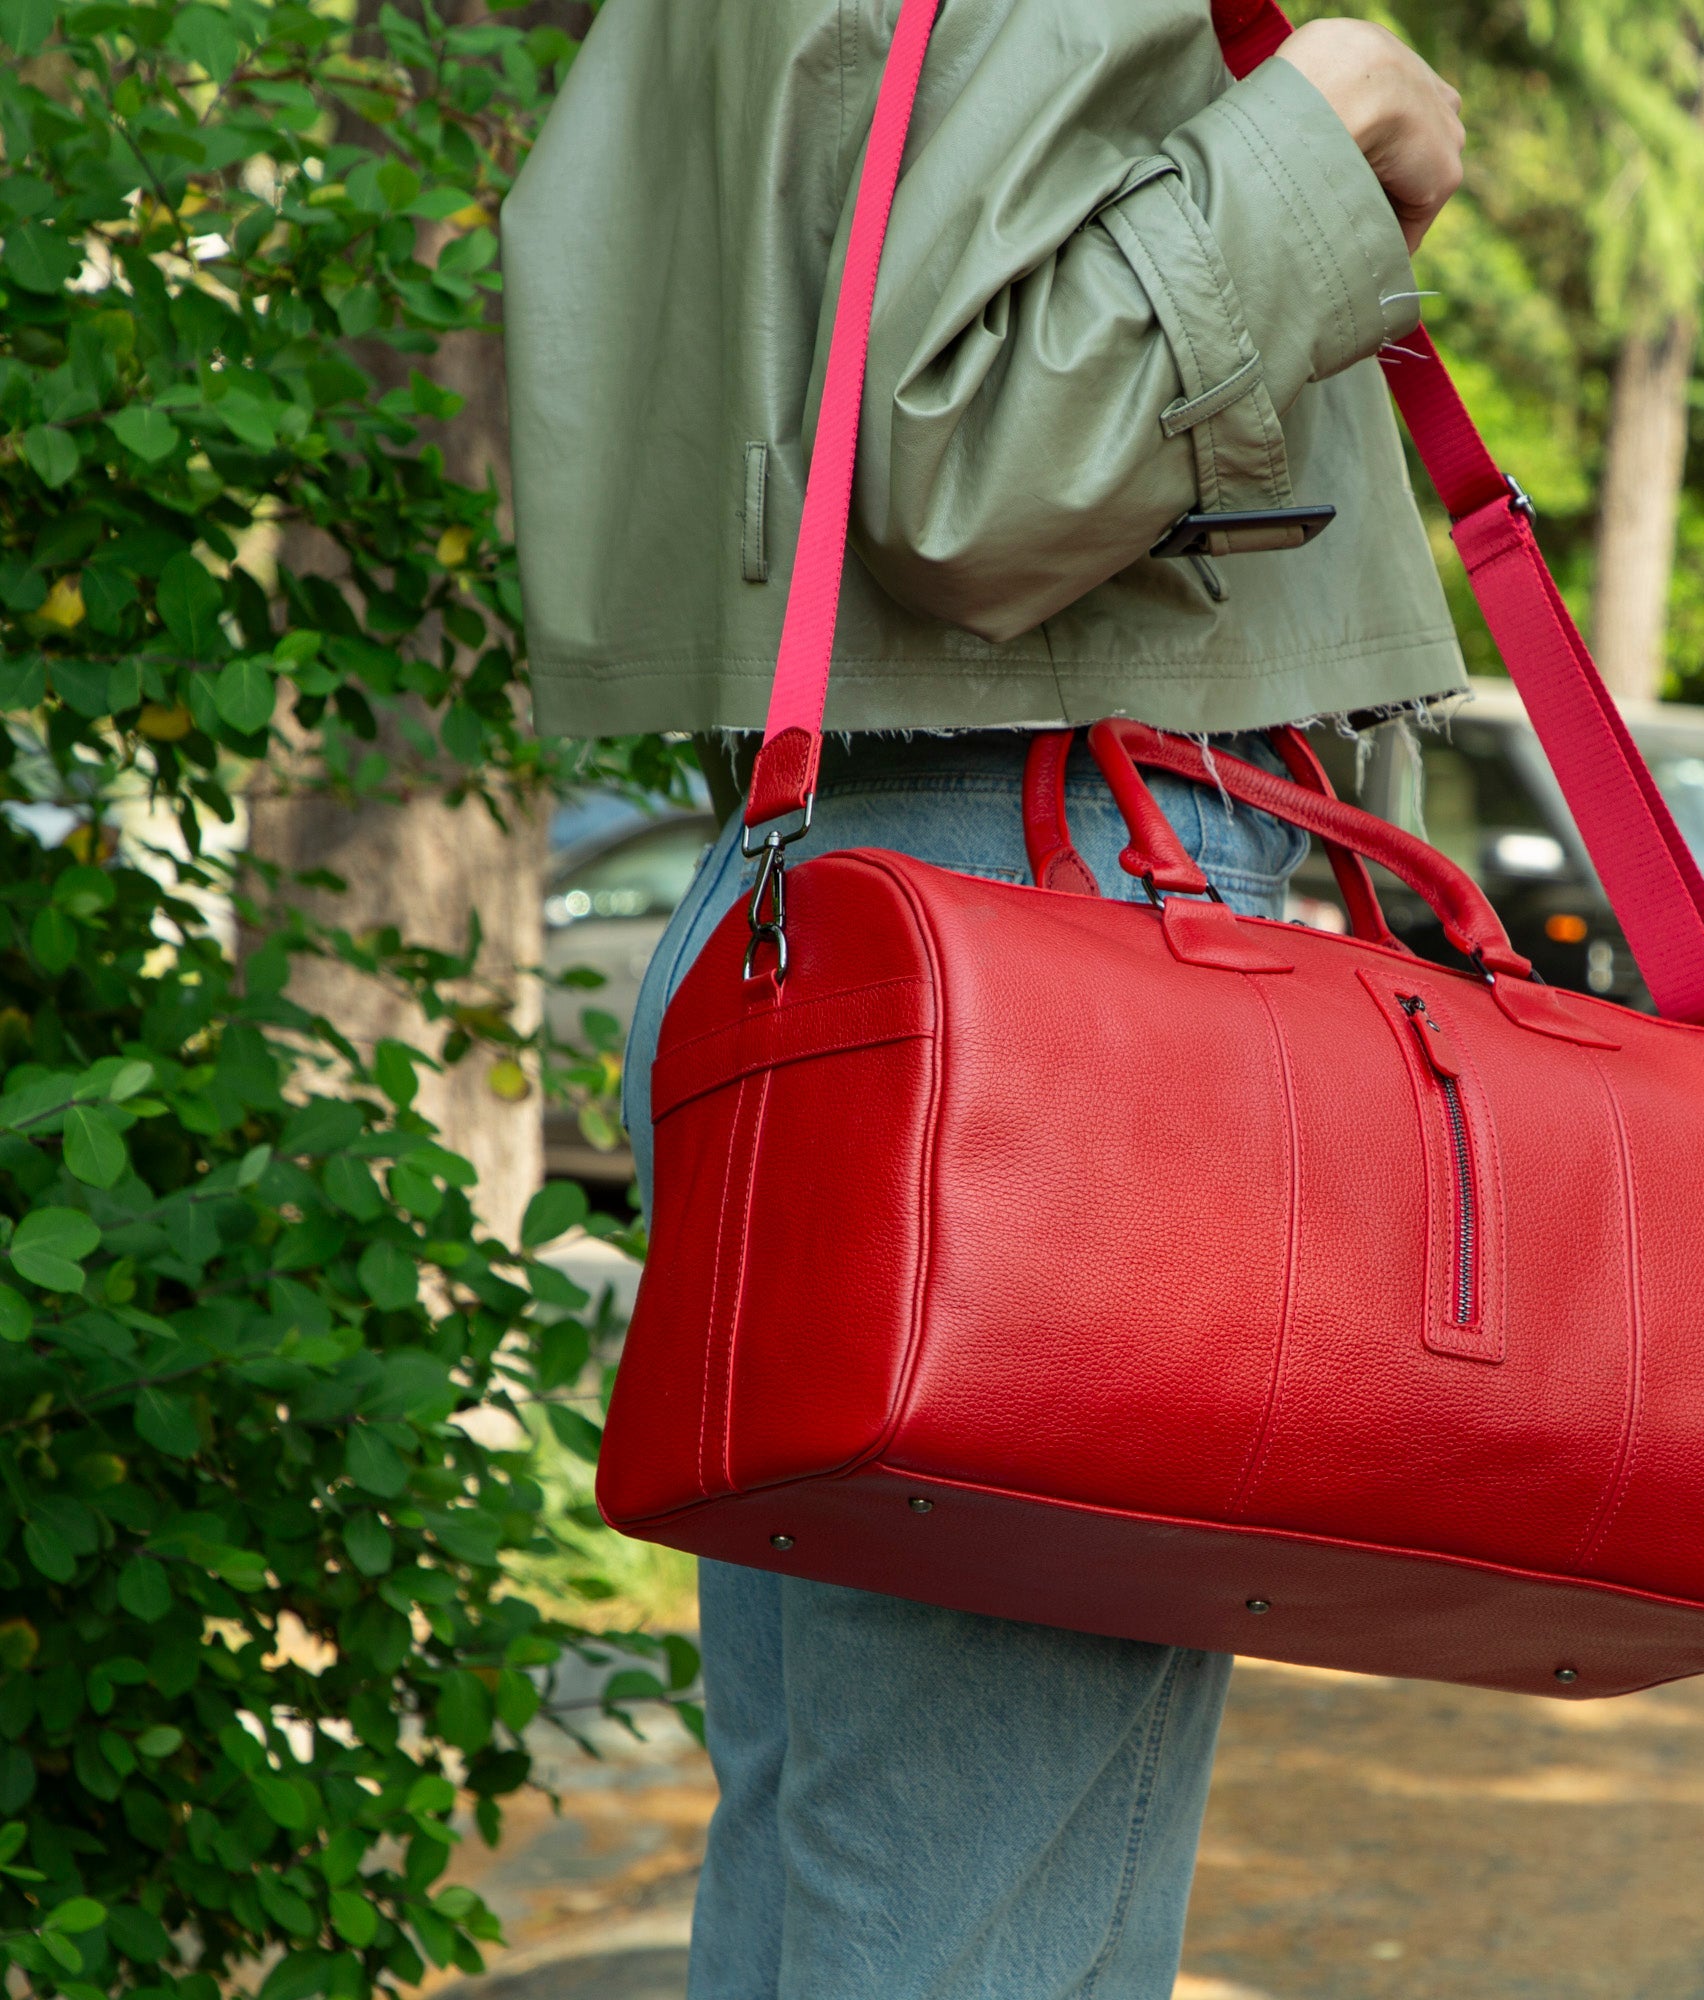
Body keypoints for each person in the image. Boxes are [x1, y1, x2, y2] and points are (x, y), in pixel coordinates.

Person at [503, 3, 1468, 1993]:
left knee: (850, 1876)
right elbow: (986, 468)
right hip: (1051, 953)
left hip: (861, 917)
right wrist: (1330, 115)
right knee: (963, 1917)